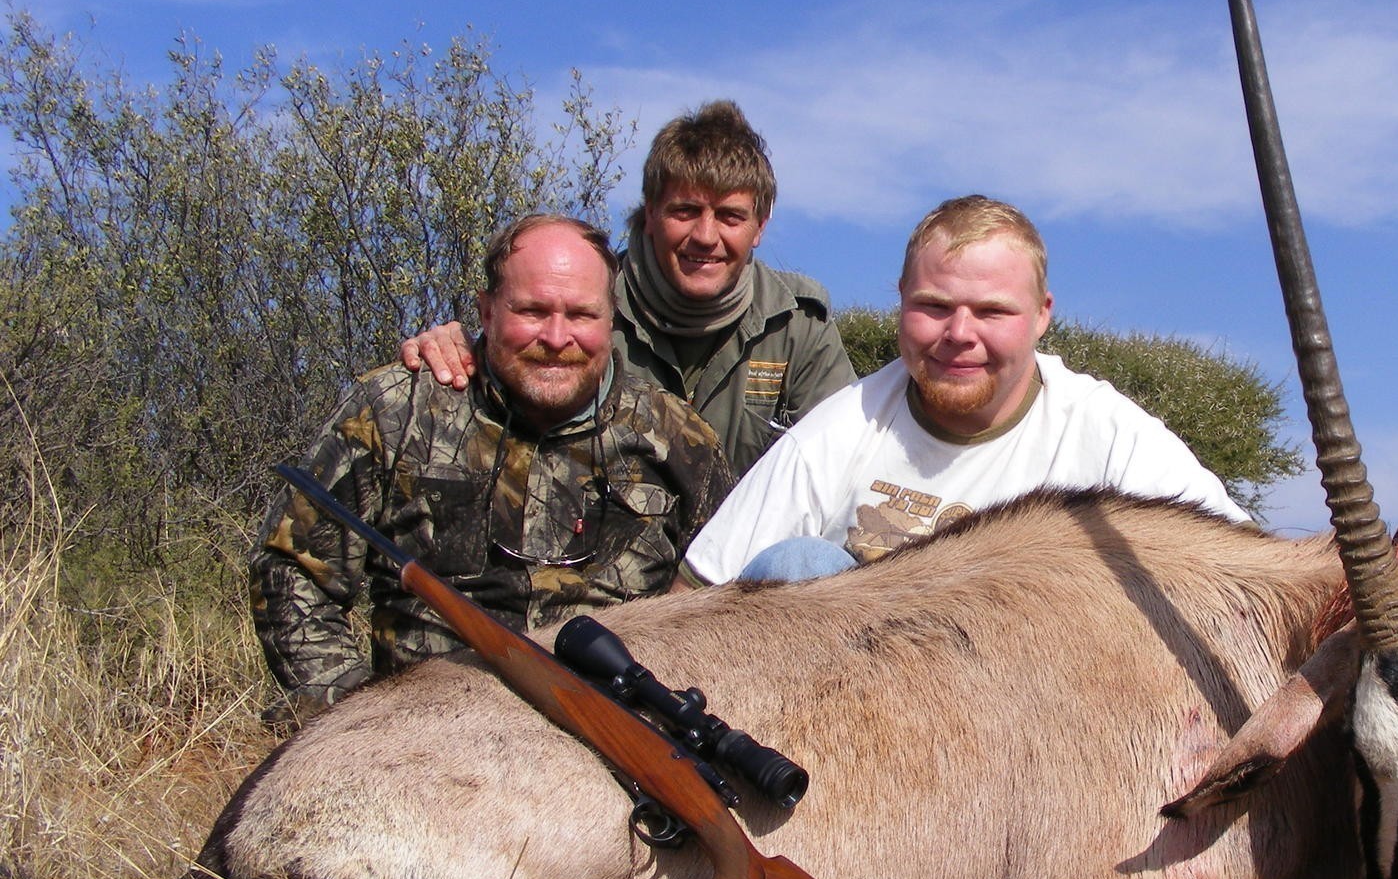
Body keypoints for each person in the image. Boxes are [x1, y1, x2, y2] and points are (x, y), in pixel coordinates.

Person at [251, 213, 734, 722]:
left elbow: (725, 611)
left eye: (582, 315)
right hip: (426, 741)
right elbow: (292, 572)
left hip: (617, 741)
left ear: (611, 320)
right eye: (531, 310)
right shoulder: (397, 410)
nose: (556, 336)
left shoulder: (680, 439)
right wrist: (356, 719)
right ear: (486, 312)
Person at [680, 195, 1249, 586]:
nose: (959, 335)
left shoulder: (1109, 434)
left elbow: (1244, 570)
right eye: (934, 306)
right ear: (900, 299)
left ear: (1041, 315)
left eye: (992, 311)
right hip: (851, 714)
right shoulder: (842, 426)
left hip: (1035, 714)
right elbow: (702, 586)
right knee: (799, 564)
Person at [405, 100, 855, 475]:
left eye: (729, 216)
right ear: (649, 213)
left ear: (760, 225)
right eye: (684, 210)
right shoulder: (582, 309)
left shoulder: (799, 325)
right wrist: (460, 350)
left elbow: (844, 462)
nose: (705, 235)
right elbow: (510, 383)